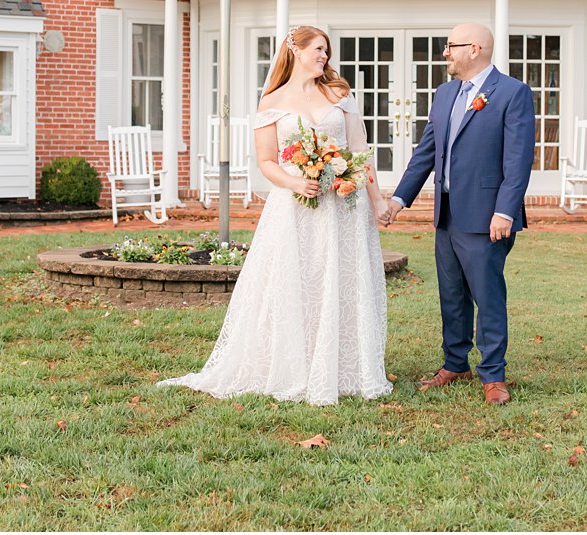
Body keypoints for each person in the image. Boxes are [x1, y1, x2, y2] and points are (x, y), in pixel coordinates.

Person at [159, 25, 394, 405]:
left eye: (326, 51)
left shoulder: (340, 94)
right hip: (295, 207)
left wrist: (378, 200)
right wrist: (294, 182)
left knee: (340, 278)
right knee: (298, 280)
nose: (324, 57)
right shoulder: (271, 101)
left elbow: (360, 150)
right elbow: (266, 162)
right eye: (318, 49)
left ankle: (344, 366)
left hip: (343, 207)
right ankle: (296, 364)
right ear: (296, 52)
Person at [381, 23, 535, 405]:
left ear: (475, 48)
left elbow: (518, 162)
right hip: (446, 215)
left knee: (488, 295)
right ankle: (455, 362)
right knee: (451, 295)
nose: (445, 53)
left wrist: (505, 211)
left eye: (451, 46)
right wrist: (399, 200)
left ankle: (494, 375)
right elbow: (427, 153)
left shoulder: (512, 93)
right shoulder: (445, 93)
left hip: (487, 217)